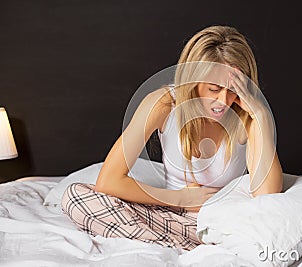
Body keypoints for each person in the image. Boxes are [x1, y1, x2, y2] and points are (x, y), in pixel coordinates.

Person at [61, 25, 283, 251]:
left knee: (269, 229)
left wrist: (262, 116)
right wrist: (180, 199)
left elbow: (267, 195)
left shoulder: (249, 116)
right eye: (214, 89)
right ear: (193, 80)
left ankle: (177, 245)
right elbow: (108, 182)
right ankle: (184, 248)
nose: (224, 101)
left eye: (233, 90)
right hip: (169, 216)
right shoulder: (163, 104)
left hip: (221, 222)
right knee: (75, 197)